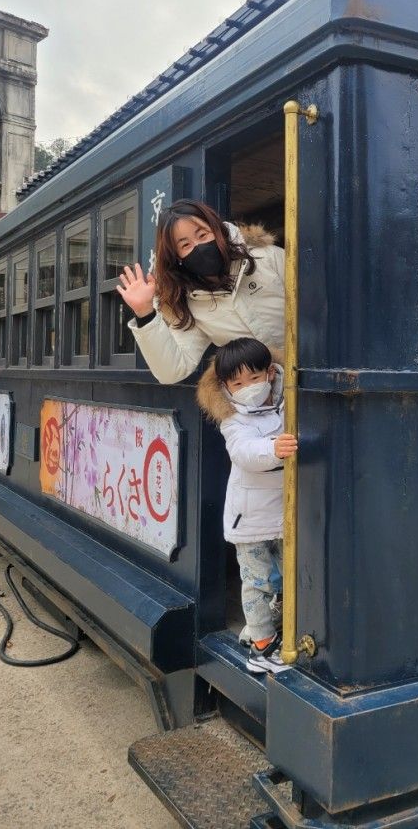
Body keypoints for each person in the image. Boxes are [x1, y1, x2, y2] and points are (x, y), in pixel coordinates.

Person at [197, 336, 297, 674]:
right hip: (250, 519)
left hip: (284, 513)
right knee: (256, 582)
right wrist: (273, 449)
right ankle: (261, 649)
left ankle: (269, 631)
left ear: (270, 373)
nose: (247, 388)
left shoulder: (288, 403)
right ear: (226, 386)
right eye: (237, 383)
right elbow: (243, 452)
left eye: (253, 379)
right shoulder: (232, 418)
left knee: (288, 578)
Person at [116, 199, 285, 383]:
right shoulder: (190, 304)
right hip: (259, 396)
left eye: (203, 235)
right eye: (185, 245)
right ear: (177, 257)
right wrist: (145, 313)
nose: (198, 246)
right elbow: (172, 371)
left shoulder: (267, 257)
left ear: (217, 229)